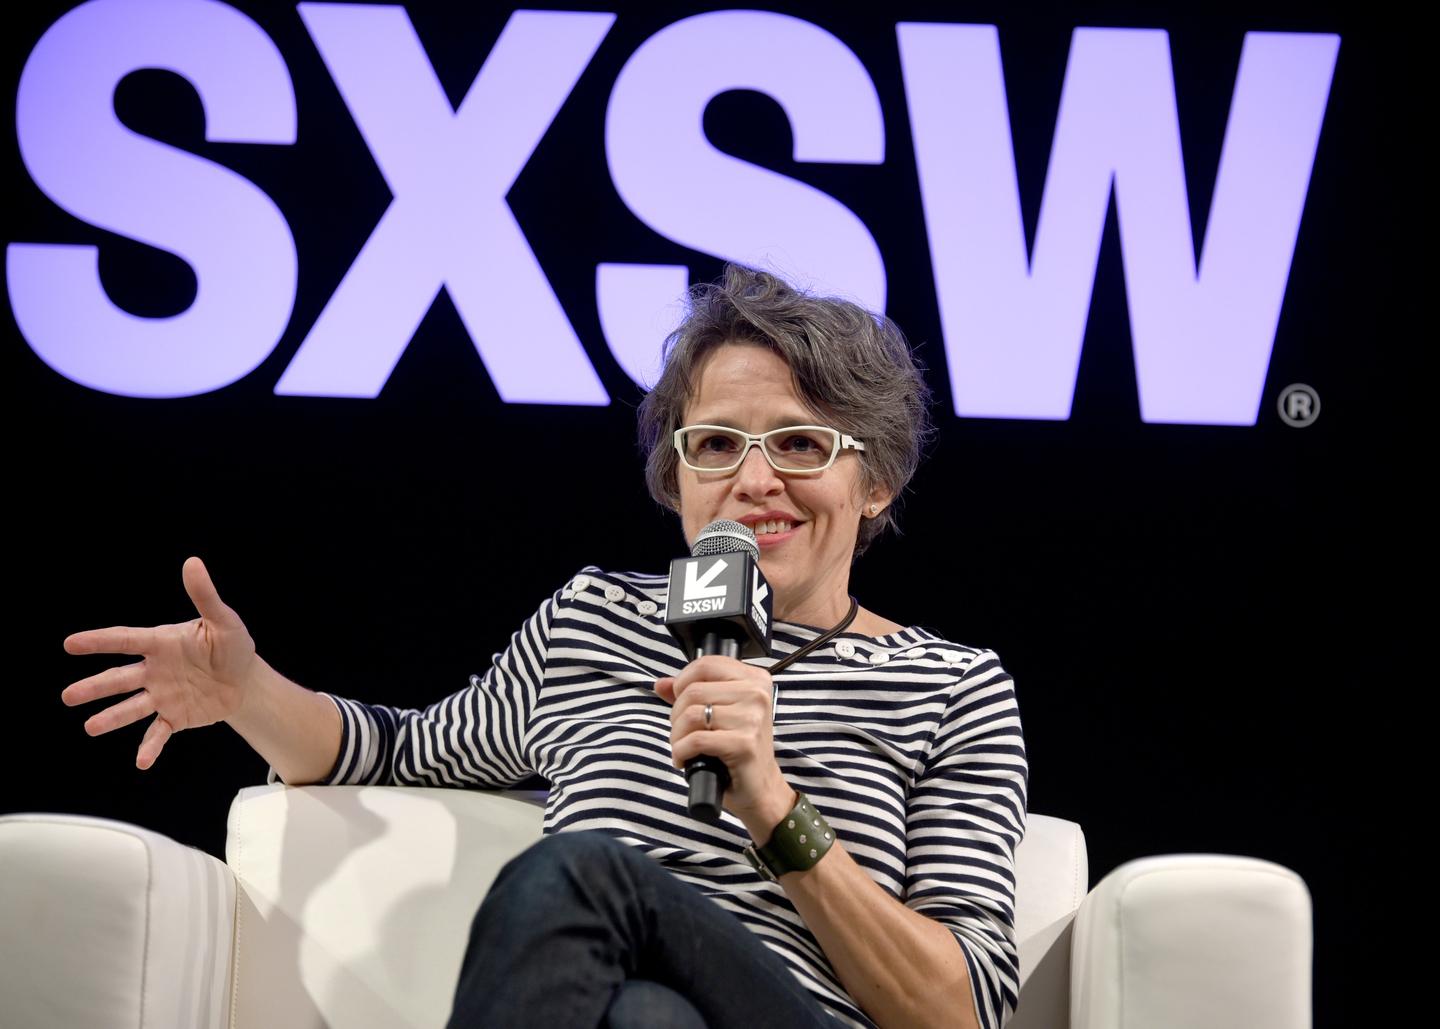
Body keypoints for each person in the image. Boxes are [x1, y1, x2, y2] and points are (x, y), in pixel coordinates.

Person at [62, 266, 1028, 1029]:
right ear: (677, 475)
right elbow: (390, 750)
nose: (754, 478)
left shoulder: (950, 684)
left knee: (588, 871)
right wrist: (246, 688)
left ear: (877, 483)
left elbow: (961, 1008)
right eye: (716, 444)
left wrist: (773, 805)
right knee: (646, 1014)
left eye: (802, 444)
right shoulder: (593, 620)